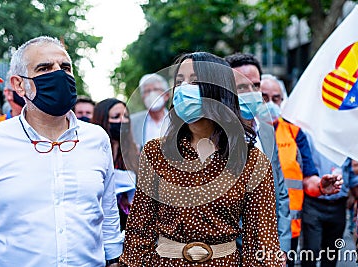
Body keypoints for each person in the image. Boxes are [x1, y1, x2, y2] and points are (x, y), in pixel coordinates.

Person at [120, 52, 282, 266]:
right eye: (179, 82)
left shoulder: (251, 160)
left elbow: (262, 241)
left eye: (194, 81)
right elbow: (139, 231)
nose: (184, 88)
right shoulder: (155, 153)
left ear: (218, 88)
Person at [0, 36, 123, 267]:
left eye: (65, 67)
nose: (59, 74)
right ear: (18, 84)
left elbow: (107, 211)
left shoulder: (96, 139)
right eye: (44, 68)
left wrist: (114, 257)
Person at [259, 74, 343, 267]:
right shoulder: (247, 133)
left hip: (288, 232)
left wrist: (321, 186)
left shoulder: (295, 133)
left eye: (276, 98)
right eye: (263, 97)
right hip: (254, 230)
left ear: (283, 101)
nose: (270, 103)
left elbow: (308, 180)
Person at [225, 52, 291, 265]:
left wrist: (281, 247)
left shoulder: (266, 131)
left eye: (255, 85)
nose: (251, 93)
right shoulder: (216, 138)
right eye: (242, 87)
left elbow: (281, 194)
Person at [302, 134, 358, 267]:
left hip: (338, 206)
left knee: (331, 253)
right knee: (311, 250)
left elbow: (352, 175)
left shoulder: (347, 142)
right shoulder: (309, 136)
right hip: (313, 203)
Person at [92, 98, 139, 231]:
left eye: (126, 116)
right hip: (101, 225)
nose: (123, 121)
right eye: (116, 117)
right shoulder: (93, 154)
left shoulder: (133, 153)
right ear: (102, 119)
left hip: (128, 226)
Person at [130, 73, 170, 150]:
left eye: (156, 89)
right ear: (142, 98)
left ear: (166, 95)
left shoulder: (178, 121)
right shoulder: (132, 122)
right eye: (147, 91)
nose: (152, 94)